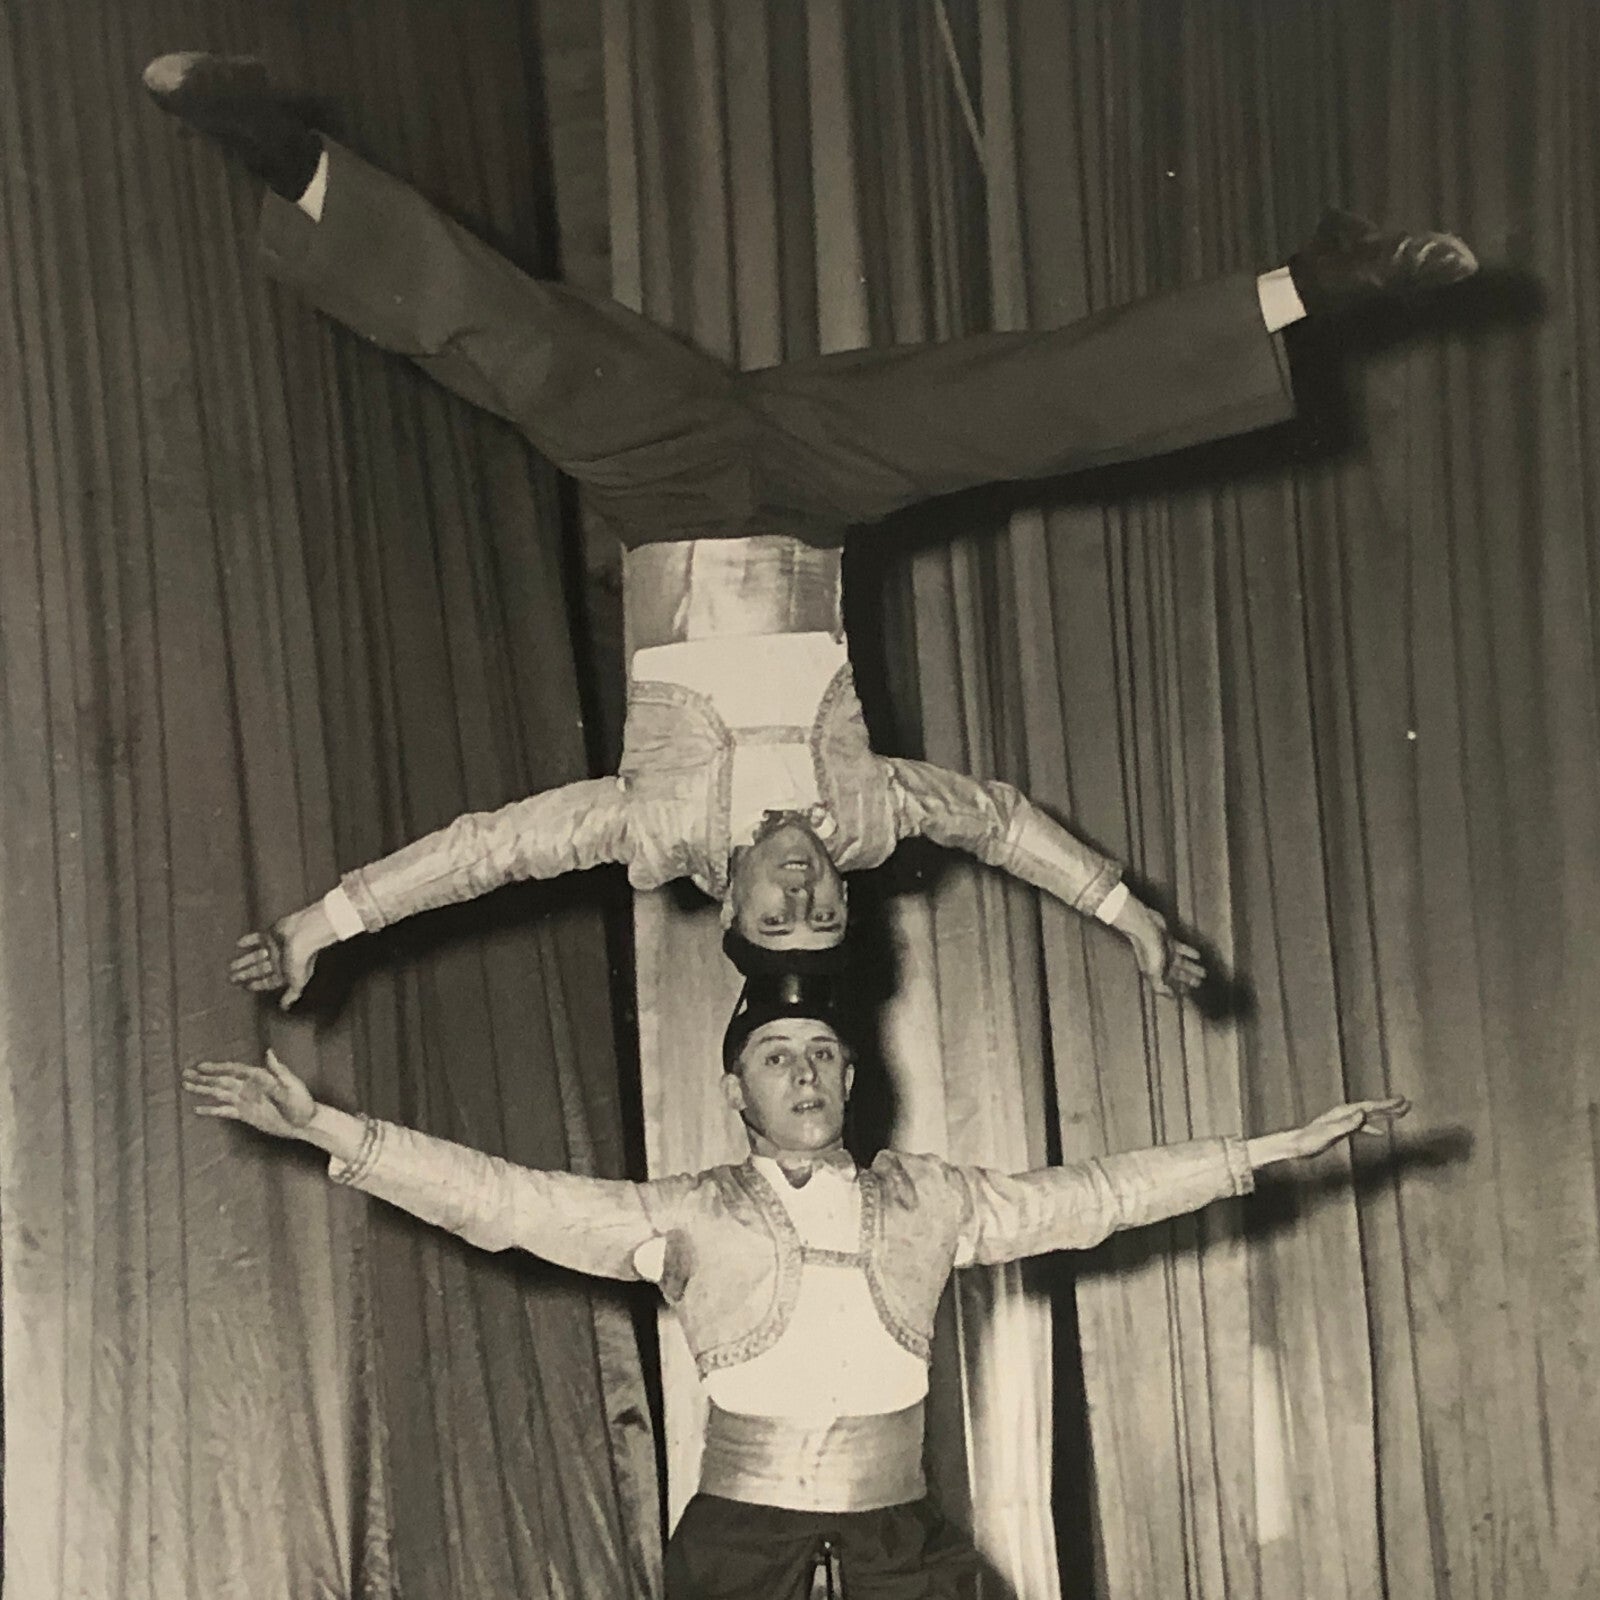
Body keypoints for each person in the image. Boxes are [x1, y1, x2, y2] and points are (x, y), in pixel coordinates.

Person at [143, 54, 1477, 1000]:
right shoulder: (869, 820)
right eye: (823, 910)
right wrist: (1124, 914)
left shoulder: (651, 834)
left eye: (779, 913)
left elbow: (483, 855)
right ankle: (1315, 281)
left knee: (531, 359)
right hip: (817, 493)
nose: (806, 892)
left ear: (726, 904)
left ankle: (291, 163)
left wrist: (323, 923)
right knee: (1021, 408)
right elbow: (1002, 824)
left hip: (667, 489)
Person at [185, 978, 1407, 1598]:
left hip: (902, 1540)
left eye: (824, 1051)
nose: (807, 1071)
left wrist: (1261, 1151)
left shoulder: (934, 1198)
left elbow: (1091, 1192)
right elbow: (506, 1197)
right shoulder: (686, 1213)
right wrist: (333, 1131)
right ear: (737, 1089)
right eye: (778, 1056)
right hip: (735, 1546)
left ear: (850, 1076)